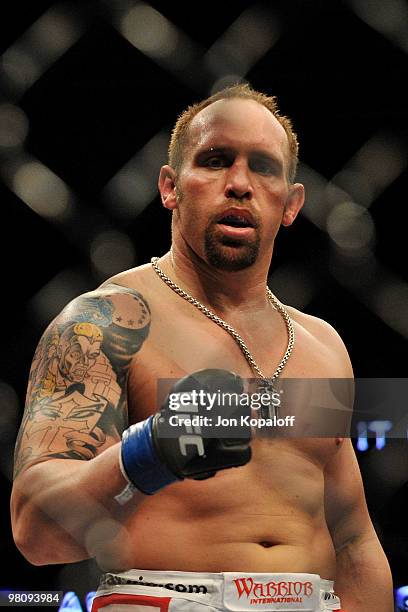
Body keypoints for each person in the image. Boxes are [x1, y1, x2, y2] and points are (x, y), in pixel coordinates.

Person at [11, 84, 393, 612]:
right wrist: (151, 451)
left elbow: (353, 540)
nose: (239, 184)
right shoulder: (106, 322)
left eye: (263, 167)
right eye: (215, 161)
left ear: (291, 203)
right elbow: (36, 532)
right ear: (170, 187)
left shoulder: (322, 345)